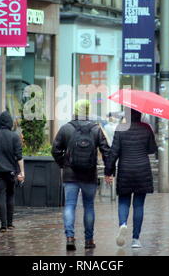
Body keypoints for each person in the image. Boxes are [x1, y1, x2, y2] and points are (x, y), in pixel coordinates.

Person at [52, 100, 110, 251]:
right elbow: (106, 151)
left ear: (75, 110)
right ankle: (89, 240)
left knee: (70, 205)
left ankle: (70, 237)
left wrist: (63, 164)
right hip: (89, 175)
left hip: (70, 175)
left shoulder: (66, 128)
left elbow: (55, 150)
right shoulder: (96, 129)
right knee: (89, 206)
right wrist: (109, 171)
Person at [105, 109, 157, 249]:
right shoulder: (146, 128)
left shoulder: (120, 128)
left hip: (125, 169)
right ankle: (135, 239)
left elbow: (114, 152)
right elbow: (152, 149)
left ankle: (123, 224)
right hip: (142, 170)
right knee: (139, 205)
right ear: (140, 114)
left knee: (123, 201)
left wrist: (108, 172)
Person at [0, 111, 24, 233]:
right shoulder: (14, 137)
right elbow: (19, 156)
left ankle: (3, 225)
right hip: (11, 171)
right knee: (10, 195)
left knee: (0, 195)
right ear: (10, 123)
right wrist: (22, 172)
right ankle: (10, 223)